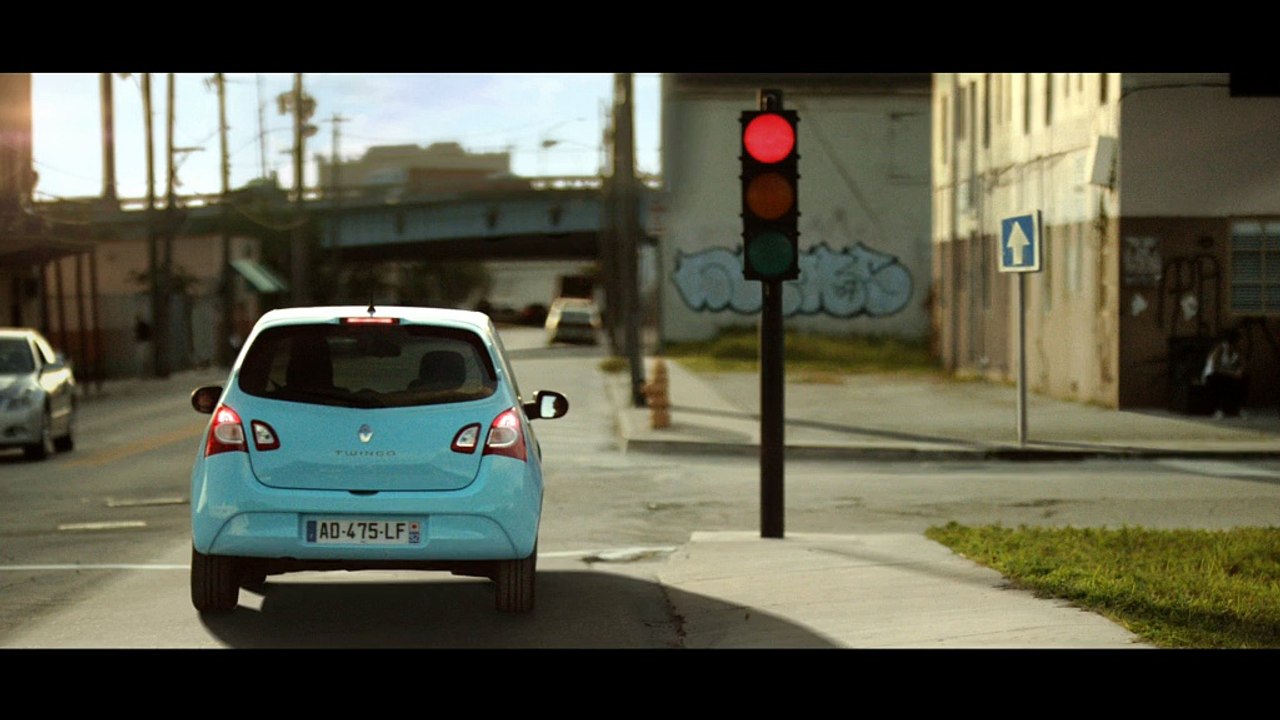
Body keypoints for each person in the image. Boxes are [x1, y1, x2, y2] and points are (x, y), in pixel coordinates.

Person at [1202, 328, 1248, 419]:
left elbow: (1243, 364)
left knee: (1245, 378)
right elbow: (1215, 367)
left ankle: (1238, 408)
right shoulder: (1220, 349)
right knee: (1220, 380)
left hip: (1229, 375)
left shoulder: (1238, 350)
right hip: (1213, 375)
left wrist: (1240, 371)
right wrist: (1231, 373)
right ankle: (1218, 409)